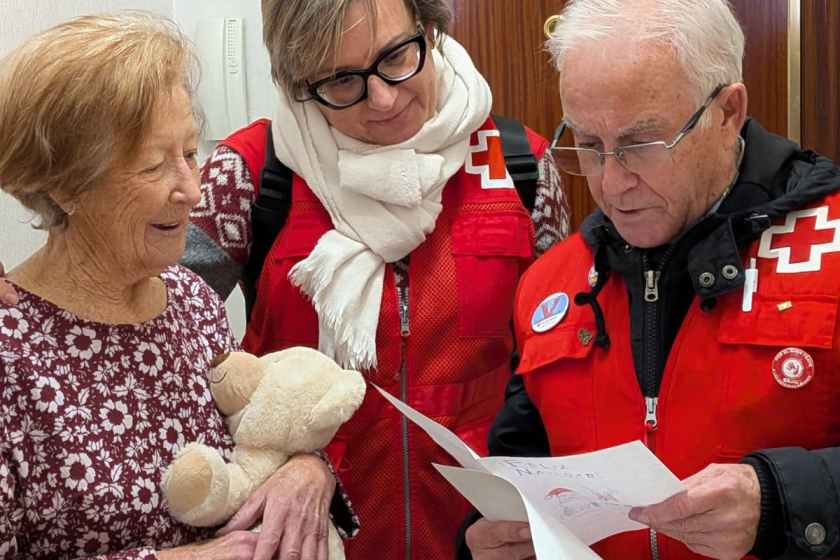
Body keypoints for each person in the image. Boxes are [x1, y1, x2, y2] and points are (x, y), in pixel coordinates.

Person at [181, 0, 570, 558]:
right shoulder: (252, 172)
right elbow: (164, 351)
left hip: (482, 532)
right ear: (298, 85)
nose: (383, 98)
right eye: (342, 82)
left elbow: (563, 368)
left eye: (395, 57)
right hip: (313, 534)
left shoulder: (521, 166)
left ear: (429, 30)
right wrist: (278, 456)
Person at [462, 0, 840, 559]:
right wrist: (485, 540)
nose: (612, 184)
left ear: (728, 112)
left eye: (641, 144)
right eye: (588, 146)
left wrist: (783, 500)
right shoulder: (551, 283)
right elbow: (522, 470)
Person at [0, 13, 354, 559]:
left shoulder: (192, 300)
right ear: (64, 184)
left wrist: (306, 470)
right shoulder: (12, 350)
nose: (192, 189)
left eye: (189, 152)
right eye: (152, 166)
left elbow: (254, 434)